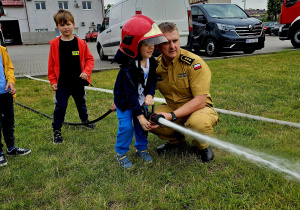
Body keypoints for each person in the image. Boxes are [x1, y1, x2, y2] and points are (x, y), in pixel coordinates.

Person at [149, 22, 219, 163]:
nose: (172, 46)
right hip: (173, 108)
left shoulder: (193, 63)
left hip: (200, 109)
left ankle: (202, 146)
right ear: (158, 45)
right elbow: (142, 88)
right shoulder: (155, 67)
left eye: (175, 40)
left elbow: (200, 100)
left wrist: (171, 116)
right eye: (166, 42)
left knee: (198, 123)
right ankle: (176, 141)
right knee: (148, 118)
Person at [112, 15, 168, 169]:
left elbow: (151, 81)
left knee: (143, 126)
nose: (151, 47)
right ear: (136, 45)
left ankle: (141, 149)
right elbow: (130, 94)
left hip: (140, 101)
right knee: (126, 127)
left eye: (152, 43)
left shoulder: (151, 62)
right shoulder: (128, 67)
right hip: (125, 103)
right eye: (146, 44)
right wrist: (139, 115)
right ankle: (121, 153)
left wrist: (150, 95)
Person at [48, 9, 95, 144]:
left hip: (78, 82)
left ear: (73, 24)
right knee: (60, 106)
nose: (65, 27)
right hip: (62, 83)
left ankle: (85, 121)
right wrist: (52, 80)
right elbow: (51, 65)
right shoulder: (55, 45)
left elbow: (90, 60)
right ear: (57, 27)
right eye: (62, 25)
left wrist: (86, 71)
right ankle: (57, 131)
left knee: (81, 103)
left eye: (68, 24)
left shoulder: (81, 43)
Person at [0, 45, 31, 167]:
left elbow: (8, 68)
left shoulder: (2, 50)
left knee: (8, 121)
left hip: (5, 92)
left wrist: (11, 81)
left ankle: (11, 148)